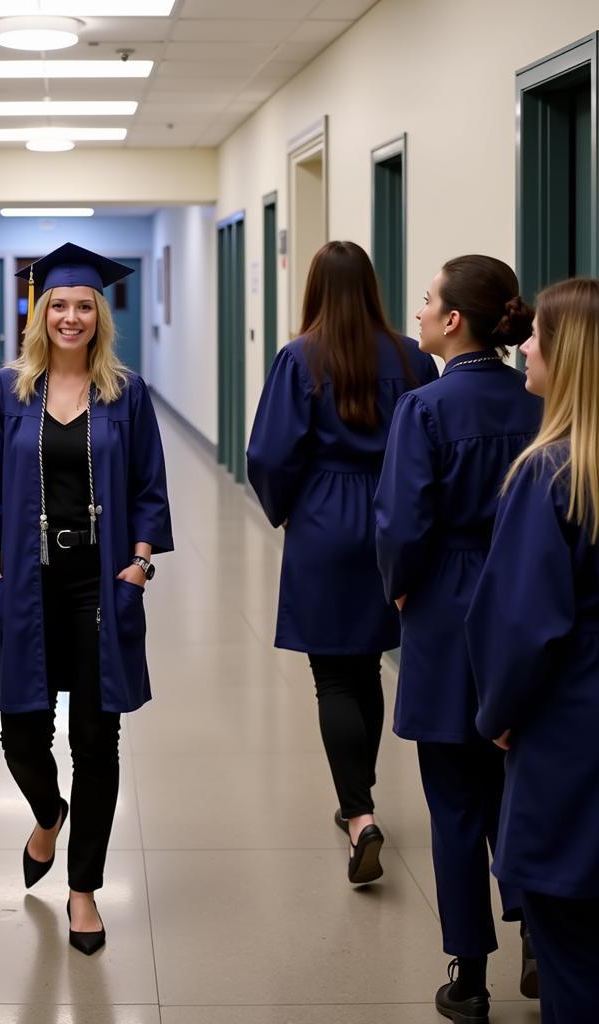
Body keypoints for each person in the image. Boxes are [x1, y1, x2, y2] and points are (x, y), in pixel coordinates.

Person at [0, 242, 173, 955]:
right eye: (59, 305)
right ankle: (49, 813)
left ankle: (84, 889)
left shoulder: (126, 392)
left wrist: (139, 565)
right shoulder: (8, 390)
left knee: (97, 740)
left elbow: (147, 486)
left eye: (84, 306)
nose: (71, 317)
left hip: (100, 582)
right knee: (22, 731)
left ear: (99, 315)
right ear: (39, 311)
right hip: (23, 579)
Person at [374, 256, 541, 1021]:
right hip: (529, 601)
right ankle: (541, 935)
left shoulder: (426, 408)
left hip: (445, 601)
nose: (417, 311)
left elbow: (403, 522)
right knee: (525, 781)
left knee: (454, 800)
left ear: (453, 321)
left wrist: (402, 583)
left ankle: (469, 976)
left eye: (427, 300)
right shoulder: (540, 400)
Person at [246, 240, 437, 885]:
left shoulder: (300, 357)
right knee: (370, 666)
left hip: (326, 518)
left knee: (331, 675)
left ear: (316, 289)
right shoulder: (413, 357)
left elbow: (270, 456)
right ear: (373, 288)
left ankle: (358, 812)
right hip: (392, 513)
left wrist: (288, 509)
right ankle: (363, 794)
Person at [467, 278, 599, 1023]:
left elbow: (522, 625)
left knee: (571, 948)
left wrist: (499, 712)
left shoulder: (551, 474)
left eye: (540, 336)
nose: (524, 345)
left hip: (570, 733)